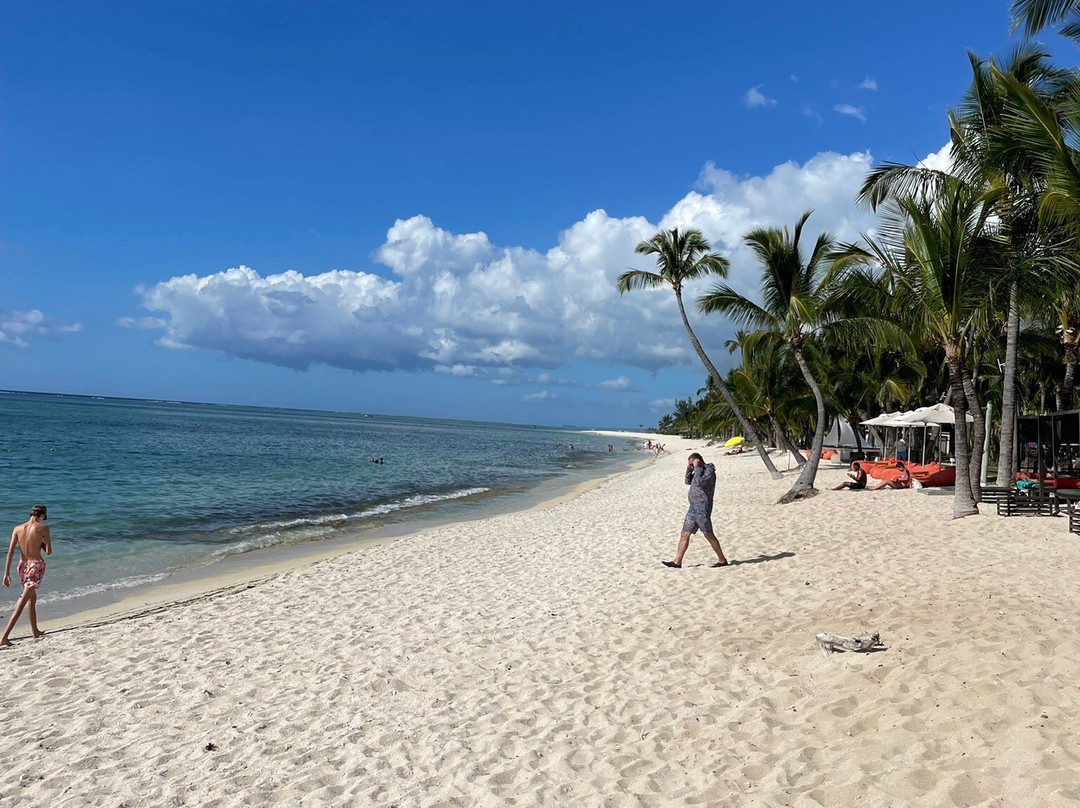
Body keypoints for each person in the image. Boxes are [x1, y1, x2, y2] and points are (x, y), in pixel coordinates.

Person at [664, 453, 729, 569]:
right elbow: (687, 481)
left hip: (702, 508)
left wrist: (697, 467)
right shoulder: (698, 471)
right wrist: (689, 469)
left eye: (692, 464)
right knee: (684, 533)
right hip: (693, 508)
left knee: (708, 534)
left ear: (698, 461)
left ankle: (722, 559)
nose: (693, 467)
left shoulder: (709, 471)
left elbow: (699, 482)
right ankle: (677, 561)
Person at [1, 505, 52, 647]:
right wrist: (40, 542)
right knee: (22, 602)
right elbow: (48, 551)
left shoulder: (17, 528)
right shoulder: (43, 528)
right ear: (42, 516)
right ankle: (4, 638)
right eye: (43, 518)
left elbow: (10, 552)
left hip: (22, 566)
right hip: (35, 566)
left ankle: (35, 631)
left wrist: (6, 573)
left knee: (32, 598)